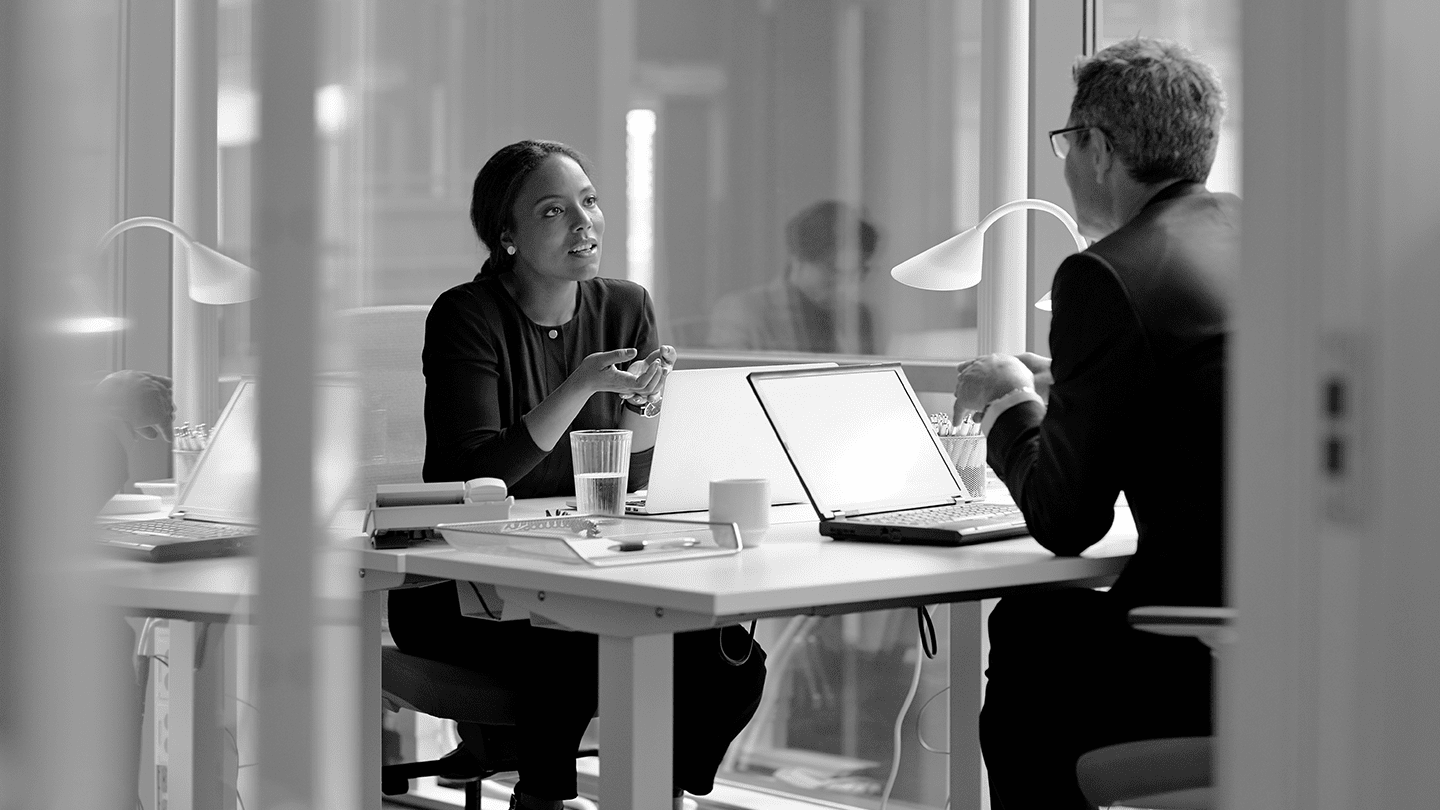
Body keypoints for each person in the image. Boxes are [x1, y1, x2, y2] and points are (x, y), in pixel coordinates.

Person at [386, 139, 767, 810]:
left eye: (589, 202)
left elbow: (638, 473)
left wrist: (647, 404)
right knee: (569, 643)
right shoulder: (466, 316)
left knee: (728, 656)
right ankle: (543, 797)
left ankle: (663, 792)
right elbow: (483, 474)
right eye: (554, 211)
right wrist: (579, 385)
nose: (584, 223)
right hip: (454, 583)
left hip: (581, 560)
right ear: (508, 234)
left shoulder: (626, 305)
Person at [951, 39, 1237, 809]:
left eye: (1067, 144)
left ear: (1098, 148)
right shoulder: (1258, 240)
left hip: (1197, 657)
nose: (1066, 164)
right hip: (1301, 639)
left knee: (1033, 630)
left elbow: (1064, 518)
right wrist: (1070, 388)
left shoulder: (1105, 273)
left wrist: (1011, 397)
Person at [707, 200, 879, 354]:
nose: (847, 285)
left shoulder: (859, 316)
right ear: (798, 259)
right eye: (833, 270)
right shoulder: (741, 311)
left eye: (858, 271)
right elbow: (729, 381)